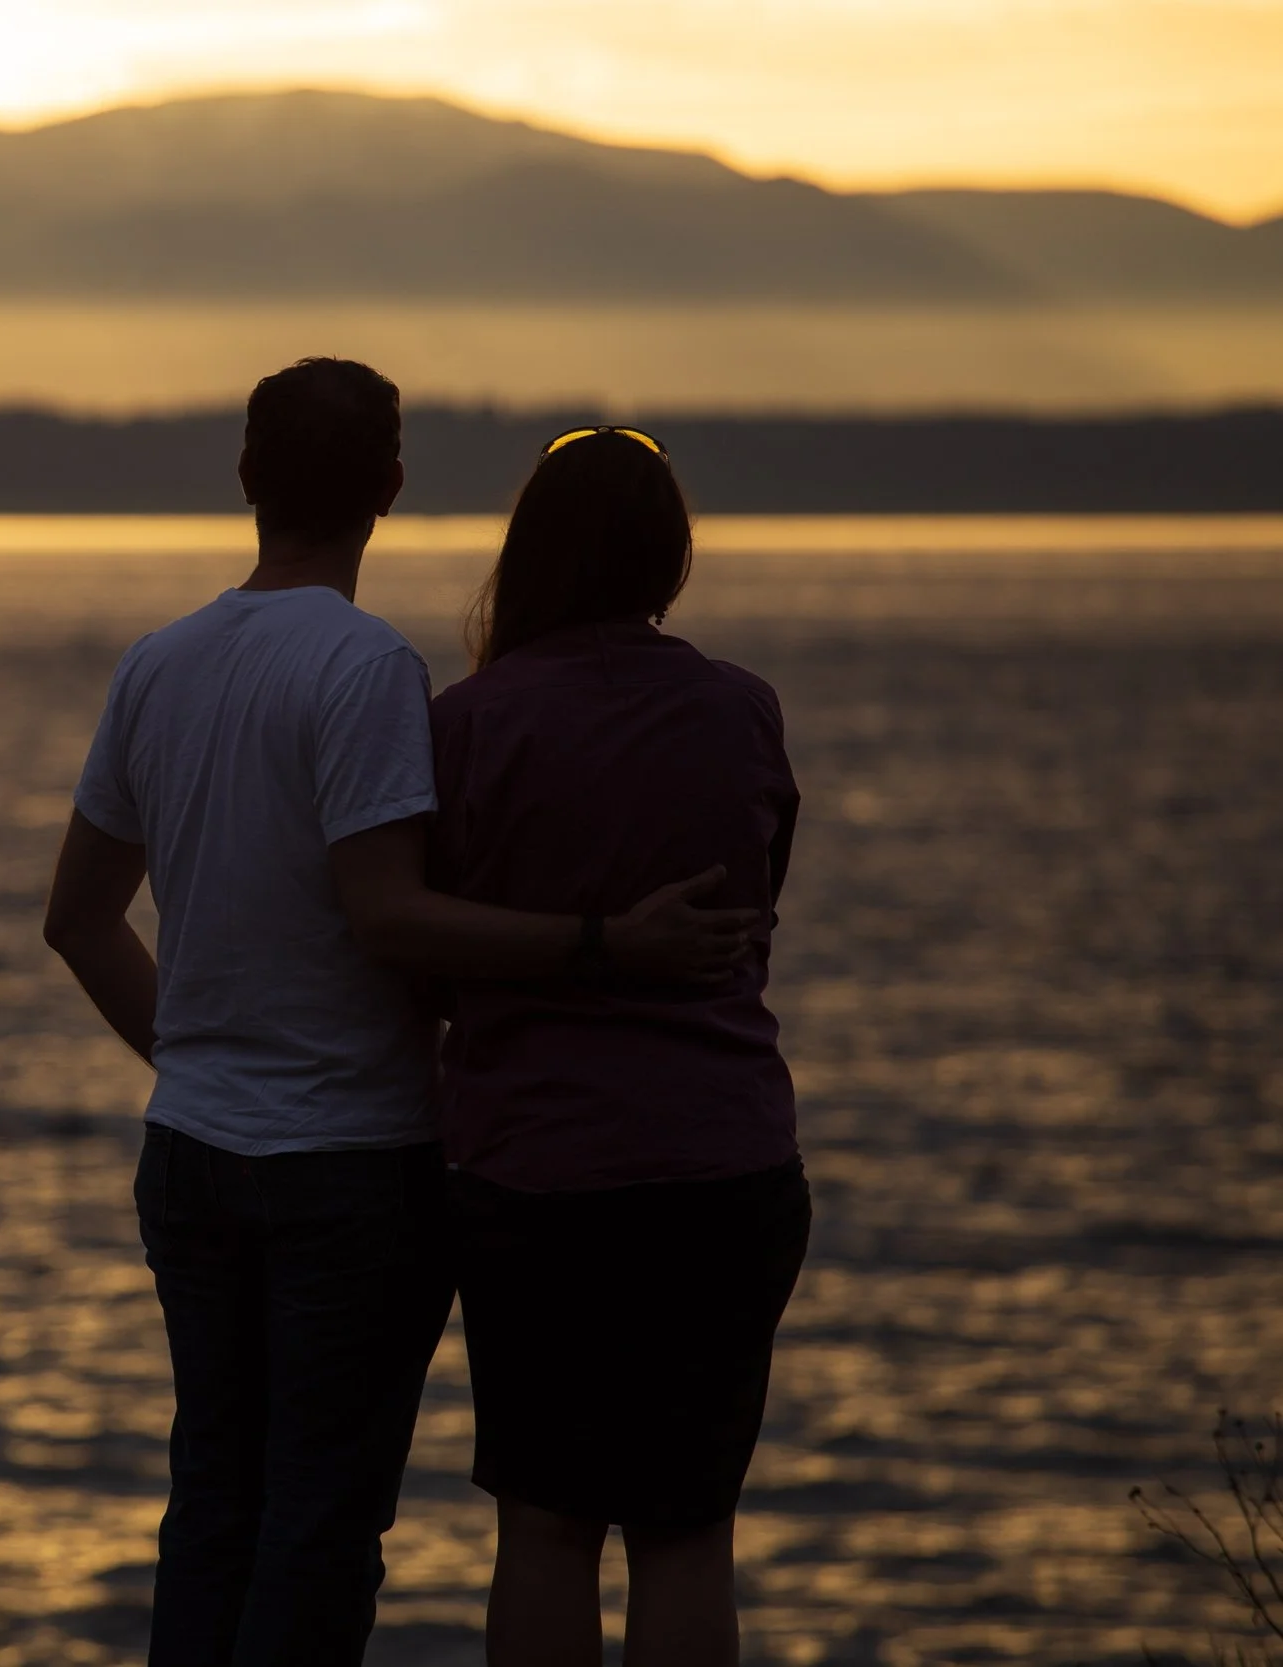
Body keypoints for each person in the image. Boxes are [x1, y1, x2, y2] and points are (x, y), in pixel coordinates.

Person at [41, 363, 759, 1667]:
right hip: (349, 1162)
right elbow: (388, 917)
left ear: (247, 481)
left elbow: (80, 916)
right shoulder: (368, 664)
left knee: (212, 1502)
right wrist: (608, 942)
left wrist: (197, 1058)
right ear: (389, 488)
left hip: (193, 1151)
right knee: (319, 1518)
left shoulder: (159, 663)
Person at [425, 426, 808, 1667]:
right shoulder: (742, 710)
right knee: (689, 1532)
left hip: (539, 1170)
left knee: (544, 1527)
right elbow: (755, 916)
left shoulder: (465, 725)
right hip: (722, 1162)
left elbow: (426, 954)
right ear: (670, 557)